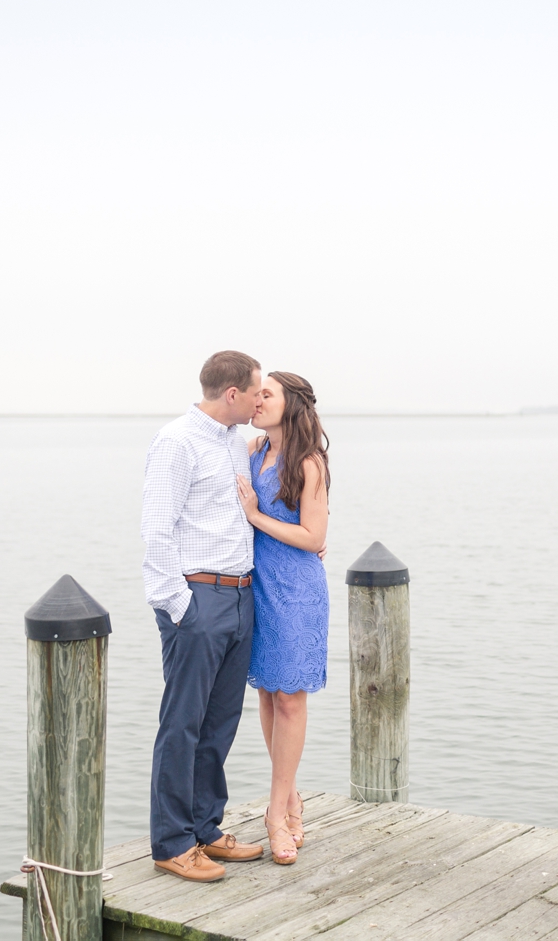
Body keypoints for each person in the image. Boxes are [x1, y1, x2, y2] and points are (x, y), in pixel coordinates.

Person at [140, 350, 267, 883]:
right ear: (232, 394)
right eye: (257, 391)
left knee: (220, 723)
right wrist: (180, 606)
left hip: (240, 597)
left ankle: (205, 829)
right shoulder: (176, 442)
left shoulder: (236, 445)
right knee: (183, 725)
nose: (262, 399)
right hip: (197, 599)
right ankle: (171, 843)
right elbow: (156, 529)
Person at [236, 371, 331, 866]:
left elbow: (314, 538)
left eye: (266, 394)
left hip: (295, 590)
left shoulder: (309, 463)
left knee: (291, 697)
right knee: (269, 691)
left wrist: (256, 517)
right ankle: (290, 796)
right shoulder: (252, 452)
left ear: (290, 404)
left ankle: (276, 813)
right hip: (257, 586)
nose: (257, 400)